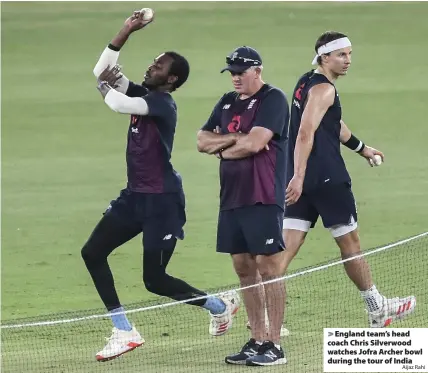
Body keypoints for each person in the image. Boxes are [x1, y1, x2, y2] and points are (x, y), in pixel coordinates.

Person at [82, 9, 239, 363]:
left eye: (159, 66)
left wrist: (104, 85)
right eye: (153, 62)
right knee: (92, 252)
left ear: (172, 80)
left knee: (154, 279)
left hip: (163, 202)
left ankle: (218, 305)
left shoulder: (162, 104)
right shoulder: (144, 93)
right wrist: (127, 29)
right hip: (134, 197)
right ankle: (123, 330)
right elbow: (101, 73)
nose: (151, 67)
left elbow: (117, 101)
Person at [283, 31, 416, 331]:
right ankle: (377, 307)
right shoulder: (324, 90)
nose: (348, 61)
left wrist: (362, 148)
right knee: (351, 244)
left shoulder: (306, 82)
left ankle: (265, 314)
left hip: (300, 179)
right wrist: (300, 177)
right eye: (342, 55)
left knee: (285, 247)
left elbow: (333, 124)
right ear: (324, 56)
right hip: (327, 179)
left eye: (350, 54)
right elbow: (305, 133)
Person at [197, 46, 289, 366]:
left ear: (257, 71)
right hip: (232, 197)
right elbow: (201, 141)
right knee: (243, 266)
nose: (235, 77)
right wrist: (234, 141)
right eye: (232, 72)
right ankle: (257, 338)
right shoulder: (225, 101)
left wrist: (223, 146)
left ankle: (275, 345)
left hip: (262, 194)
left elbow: (256, 143)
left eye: (240, 72)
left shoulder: (272, 99)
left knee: (269, 267)